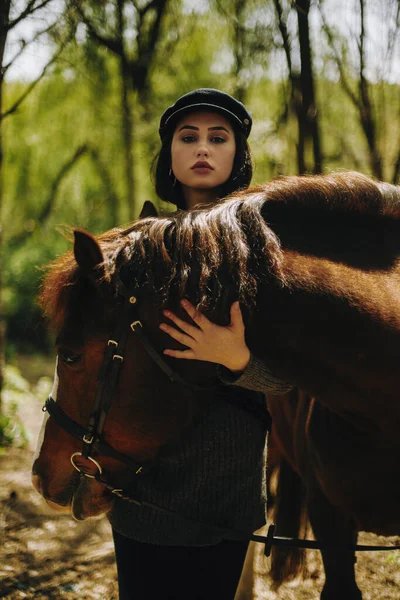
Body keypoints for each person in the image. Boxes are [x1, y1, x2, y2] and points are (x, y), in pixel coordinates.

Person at [108, 89, 292, 600]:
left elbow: (292, 376)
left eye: (218, 137)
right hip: (143, 491)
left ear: (238, 154)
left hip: (225, 495)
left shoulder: (266, 250)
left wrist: (238, 360)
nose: (202, 148)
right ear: (170, 155)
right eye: (188, 138)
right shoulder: (138, 244)